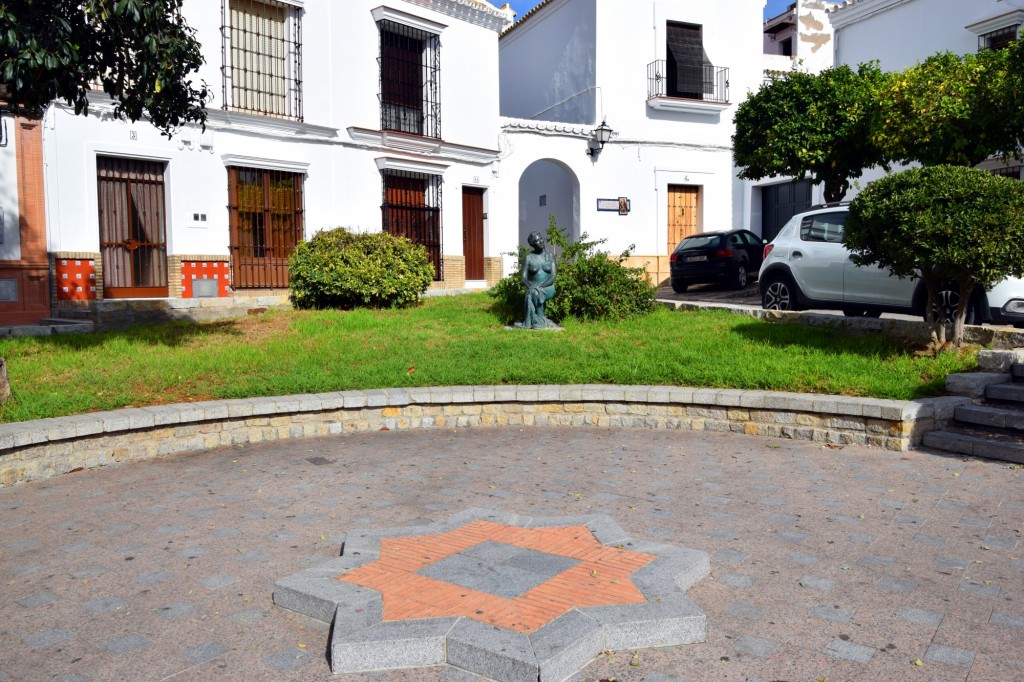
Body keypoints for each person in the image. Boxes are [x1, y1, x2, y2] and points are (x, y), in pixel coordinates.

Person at [519, 230, 557, 329]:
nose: (540, 242)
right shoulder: (528, 257)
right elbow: (523, 278)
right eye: (537, 241)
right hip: (533, 287)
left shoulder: (550, 256)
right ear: (532, 244)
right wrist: (531, 286)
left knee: (536, 292)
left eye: (541, 239)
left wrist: (541, 286)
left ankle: (539, 321)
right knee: (534, 292)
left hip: (548, 287)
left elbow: (553, 276)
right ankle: (536, 320)